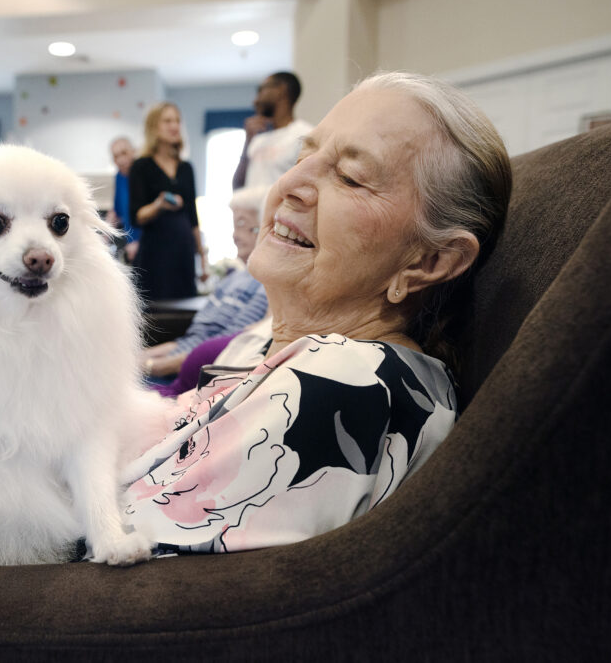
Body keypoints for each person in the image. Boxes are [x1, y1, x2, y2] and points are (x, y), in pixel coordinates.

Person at [121, 71, 512, 556]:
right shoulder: (278, 339)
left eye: (350, 177)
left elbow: (101, 559)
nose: (291, 184)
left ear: (427, 261)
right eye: (304, 155)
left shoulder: (350, 382)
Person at [142, 185, 270, 380]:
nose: (235, 235)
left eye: (243, 225)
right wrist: (136, 359)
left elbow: (228, 347)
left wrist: (152, 366)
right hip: (176, 362)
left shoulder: (264, 284)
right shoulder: (231, 280)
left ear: (264, 229)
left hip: (190, 374)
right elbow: (191, 339)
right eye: (234, 225)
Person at [129, 102, 208, 301]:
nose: (174, 126)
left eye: (177, 121)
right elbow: (136, 216)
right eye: (167, 121)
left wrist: (202, 256)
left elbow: (193, 216)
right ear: (154, 126)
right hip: (155, 252)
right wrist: (159, 205)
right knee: (157, 309)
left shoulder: (186, 168)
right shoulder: (141, 166)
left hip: (184, 250)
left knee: (185, 305)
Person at [232, 71, 314, 191]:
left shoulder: (305, 135)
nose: (255, 101)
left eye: (261, 90)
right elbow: (237, 187)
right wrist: (247, 140)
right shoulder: (258, 140)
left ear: (281, 90)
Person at [105, 137, 141, 263]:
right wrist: (103, 237)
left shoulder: (142, 174)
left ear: (133, 152)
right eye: (116, 156)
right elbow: (117, 212)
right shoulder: (119, 176)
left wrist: (139, 242)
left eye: (124, 153)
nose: (120, 160)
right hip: (131, 246)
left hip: (146, 244)